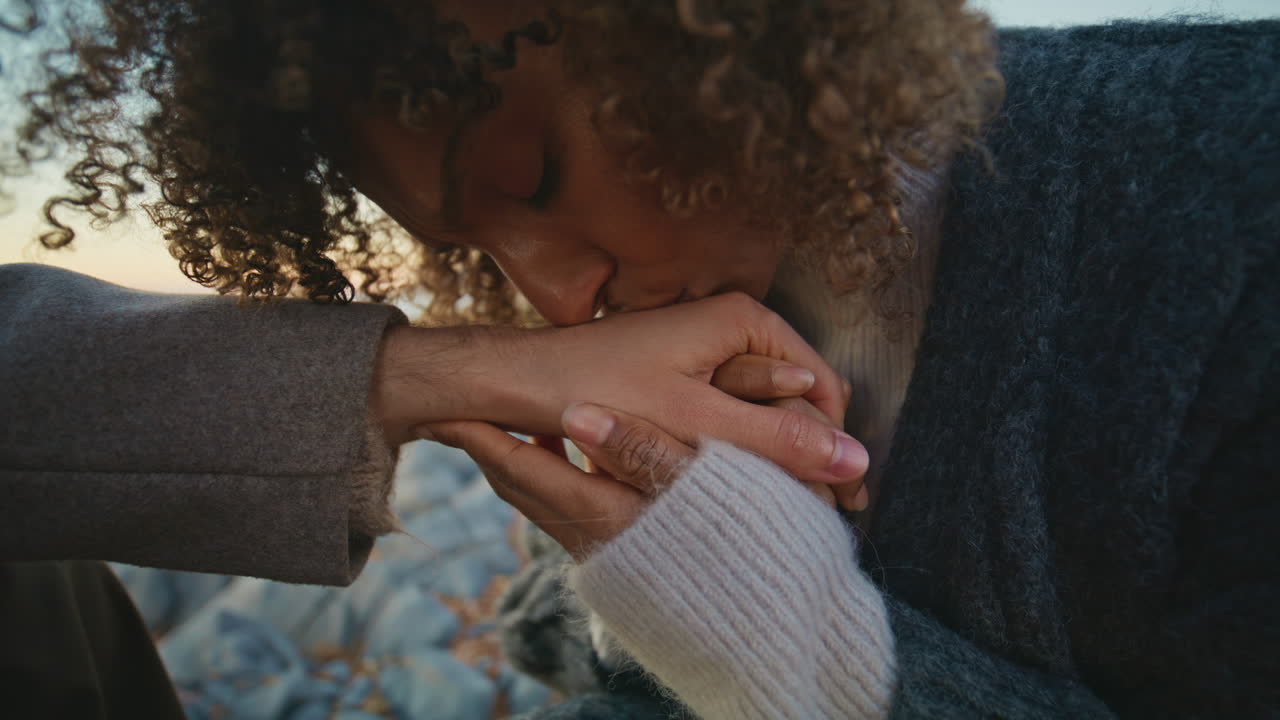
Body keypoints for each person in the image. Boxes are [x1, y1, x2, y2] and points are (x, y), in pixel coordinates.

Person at [2, 1, 1277, 718]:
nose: (557, 298)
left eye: (535, 176)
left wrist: (816, 653)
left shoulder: (1227, 191)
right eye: (475, 248)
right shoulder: (672, 324)